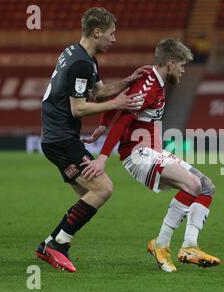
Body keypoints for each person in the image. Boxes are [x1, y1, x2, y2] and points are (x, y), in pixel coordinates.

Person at [81, 39, 221, 273]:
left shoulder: (152, 80)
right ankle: (184, 246)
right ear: (171, 63)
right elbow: (124, 119)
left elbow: (121, 99)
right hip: (138, 154)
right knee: (193, 185)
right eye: (182, 66)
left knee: (206, 187)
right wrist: (103, 156)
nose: (183, 71)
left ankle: (170, 245)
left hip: (153, 151)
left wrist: (103, 124)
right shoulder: (149, 85)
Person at [36, 7, 149, 272]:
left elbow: (98, 93)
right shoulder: (81, 64)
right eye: (111, 34)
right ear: (97, 32)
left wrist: (126, 82)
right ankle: (58, 245)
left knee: (91, 193)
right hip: (61, 139)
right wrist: (118, 103)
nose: (114, 39)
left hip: (57, 138)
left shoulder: (80, 55)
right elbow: (78, 109)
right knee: (103, 188)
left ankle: (50, 243)